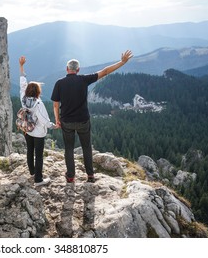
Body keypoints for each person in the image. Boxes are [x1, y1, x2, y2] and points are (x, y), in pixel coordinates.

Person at [51, 50, 133, 183]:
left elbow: (55, 105)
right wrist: (122, 62)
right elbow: (105, 71)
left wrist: (57, 120)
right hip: (83, 120)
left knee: (69, 149)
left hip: (67, 121)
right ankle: (90, 175)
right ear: (78, 69)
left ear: (67, 69)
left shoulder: (59, 83)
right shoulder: (84, 79)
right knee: (87, 147)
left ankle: (70, 176)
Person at [19, 56, 58, 187]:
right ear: (38, 92)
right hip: (38, 133)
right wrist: (54, 126)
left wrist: (21, 66)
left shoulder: (23, 98)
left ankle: (32, 172)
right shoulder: (38, 104)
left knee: (30, 151)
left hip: (27, 130)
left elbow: (22, 83)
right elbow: (44, 120)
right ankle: (38, 179)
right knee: (39, 155)